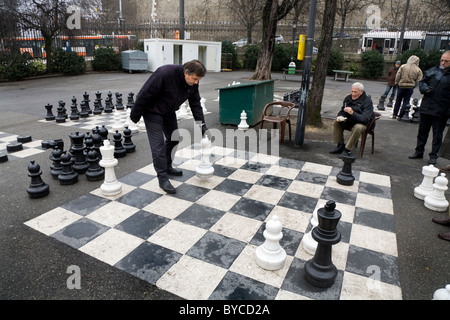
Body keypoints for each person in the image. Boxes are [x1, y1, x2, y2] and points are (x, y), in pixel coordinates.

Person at [130, 60, 208, 194]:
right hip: (152, 111)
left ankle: (167, 166)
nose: (196, 82)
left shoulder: (193, 81)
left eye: (198, 80)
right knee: (158, 146)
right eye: (195, 79)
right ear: (186, 73)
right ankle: (162, 178)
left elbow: (195, 103)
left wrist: (202, 125)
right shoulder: (165, 73)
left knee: (174, 138)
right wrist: (135, 115)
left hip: (168, 111)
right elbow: (144, 93)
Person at [408, 50, 450, 165]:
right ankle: (419, 151)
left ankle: (433, 155)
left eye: (446, 61)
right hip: (427, 107)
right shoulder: (433, 70)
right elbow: (422, 82)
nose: (443, 63)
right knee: (422, 131)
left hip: (441, 110)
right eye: (442, 60)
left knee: (437, 135)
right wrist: (425, 89)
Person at [329, 82, 374, 155]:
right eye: (352, 91)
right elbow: (343, 110)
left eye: (355, 92)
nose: (353, 94)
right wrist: (340, 116)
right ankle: (340, 145)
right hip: (349, 120)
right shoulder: (348, 98)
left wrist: (353, 113)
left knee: (358, 127)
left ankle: (347, 149)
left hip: (363, 123)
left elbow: (365, 119)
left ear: (361, 92)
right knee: (336, 122)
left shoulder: (367, 101)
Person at [392, 55, 423, 120]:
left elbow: (398, 75)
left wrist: (397, 82)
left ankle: (395, 114)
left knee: (398, 100)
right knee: (406, 102)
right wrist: (414, 85)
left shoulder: (403, 66)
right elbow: (419, 79)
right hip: (410, 87)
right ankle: (401, 115)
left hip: (401, 86)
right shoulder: (418, 69)